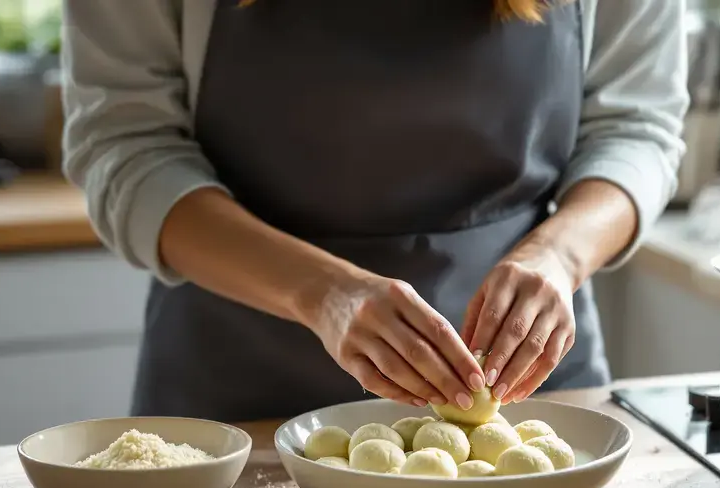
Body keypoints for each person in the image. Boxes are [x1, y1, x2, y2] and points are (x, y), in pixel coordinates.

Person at [62, 0, 688, 421]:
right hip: (238, 389)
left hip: (528, 381)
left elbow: (638, 128)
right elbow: (125, 148)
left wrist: (558, 255)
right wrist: (322, 291)